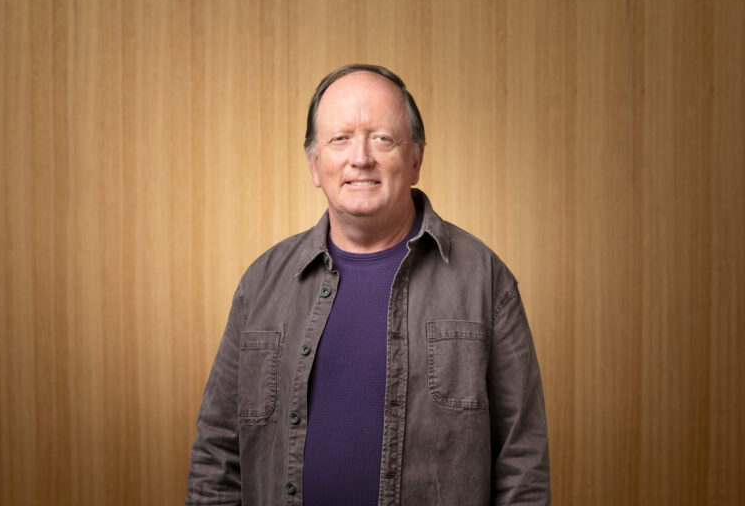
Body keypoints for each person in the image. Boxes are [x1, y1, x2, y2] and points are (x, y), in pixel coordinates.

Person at [185, 64, 550, 505]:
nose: (361, 158)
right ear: (315, 164)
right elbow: (217, 456)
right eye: (340, 139)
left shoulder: (485, 281)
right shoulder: (261, 284)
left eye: (383, 138)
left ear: (415, 159)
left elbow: (522, 465)